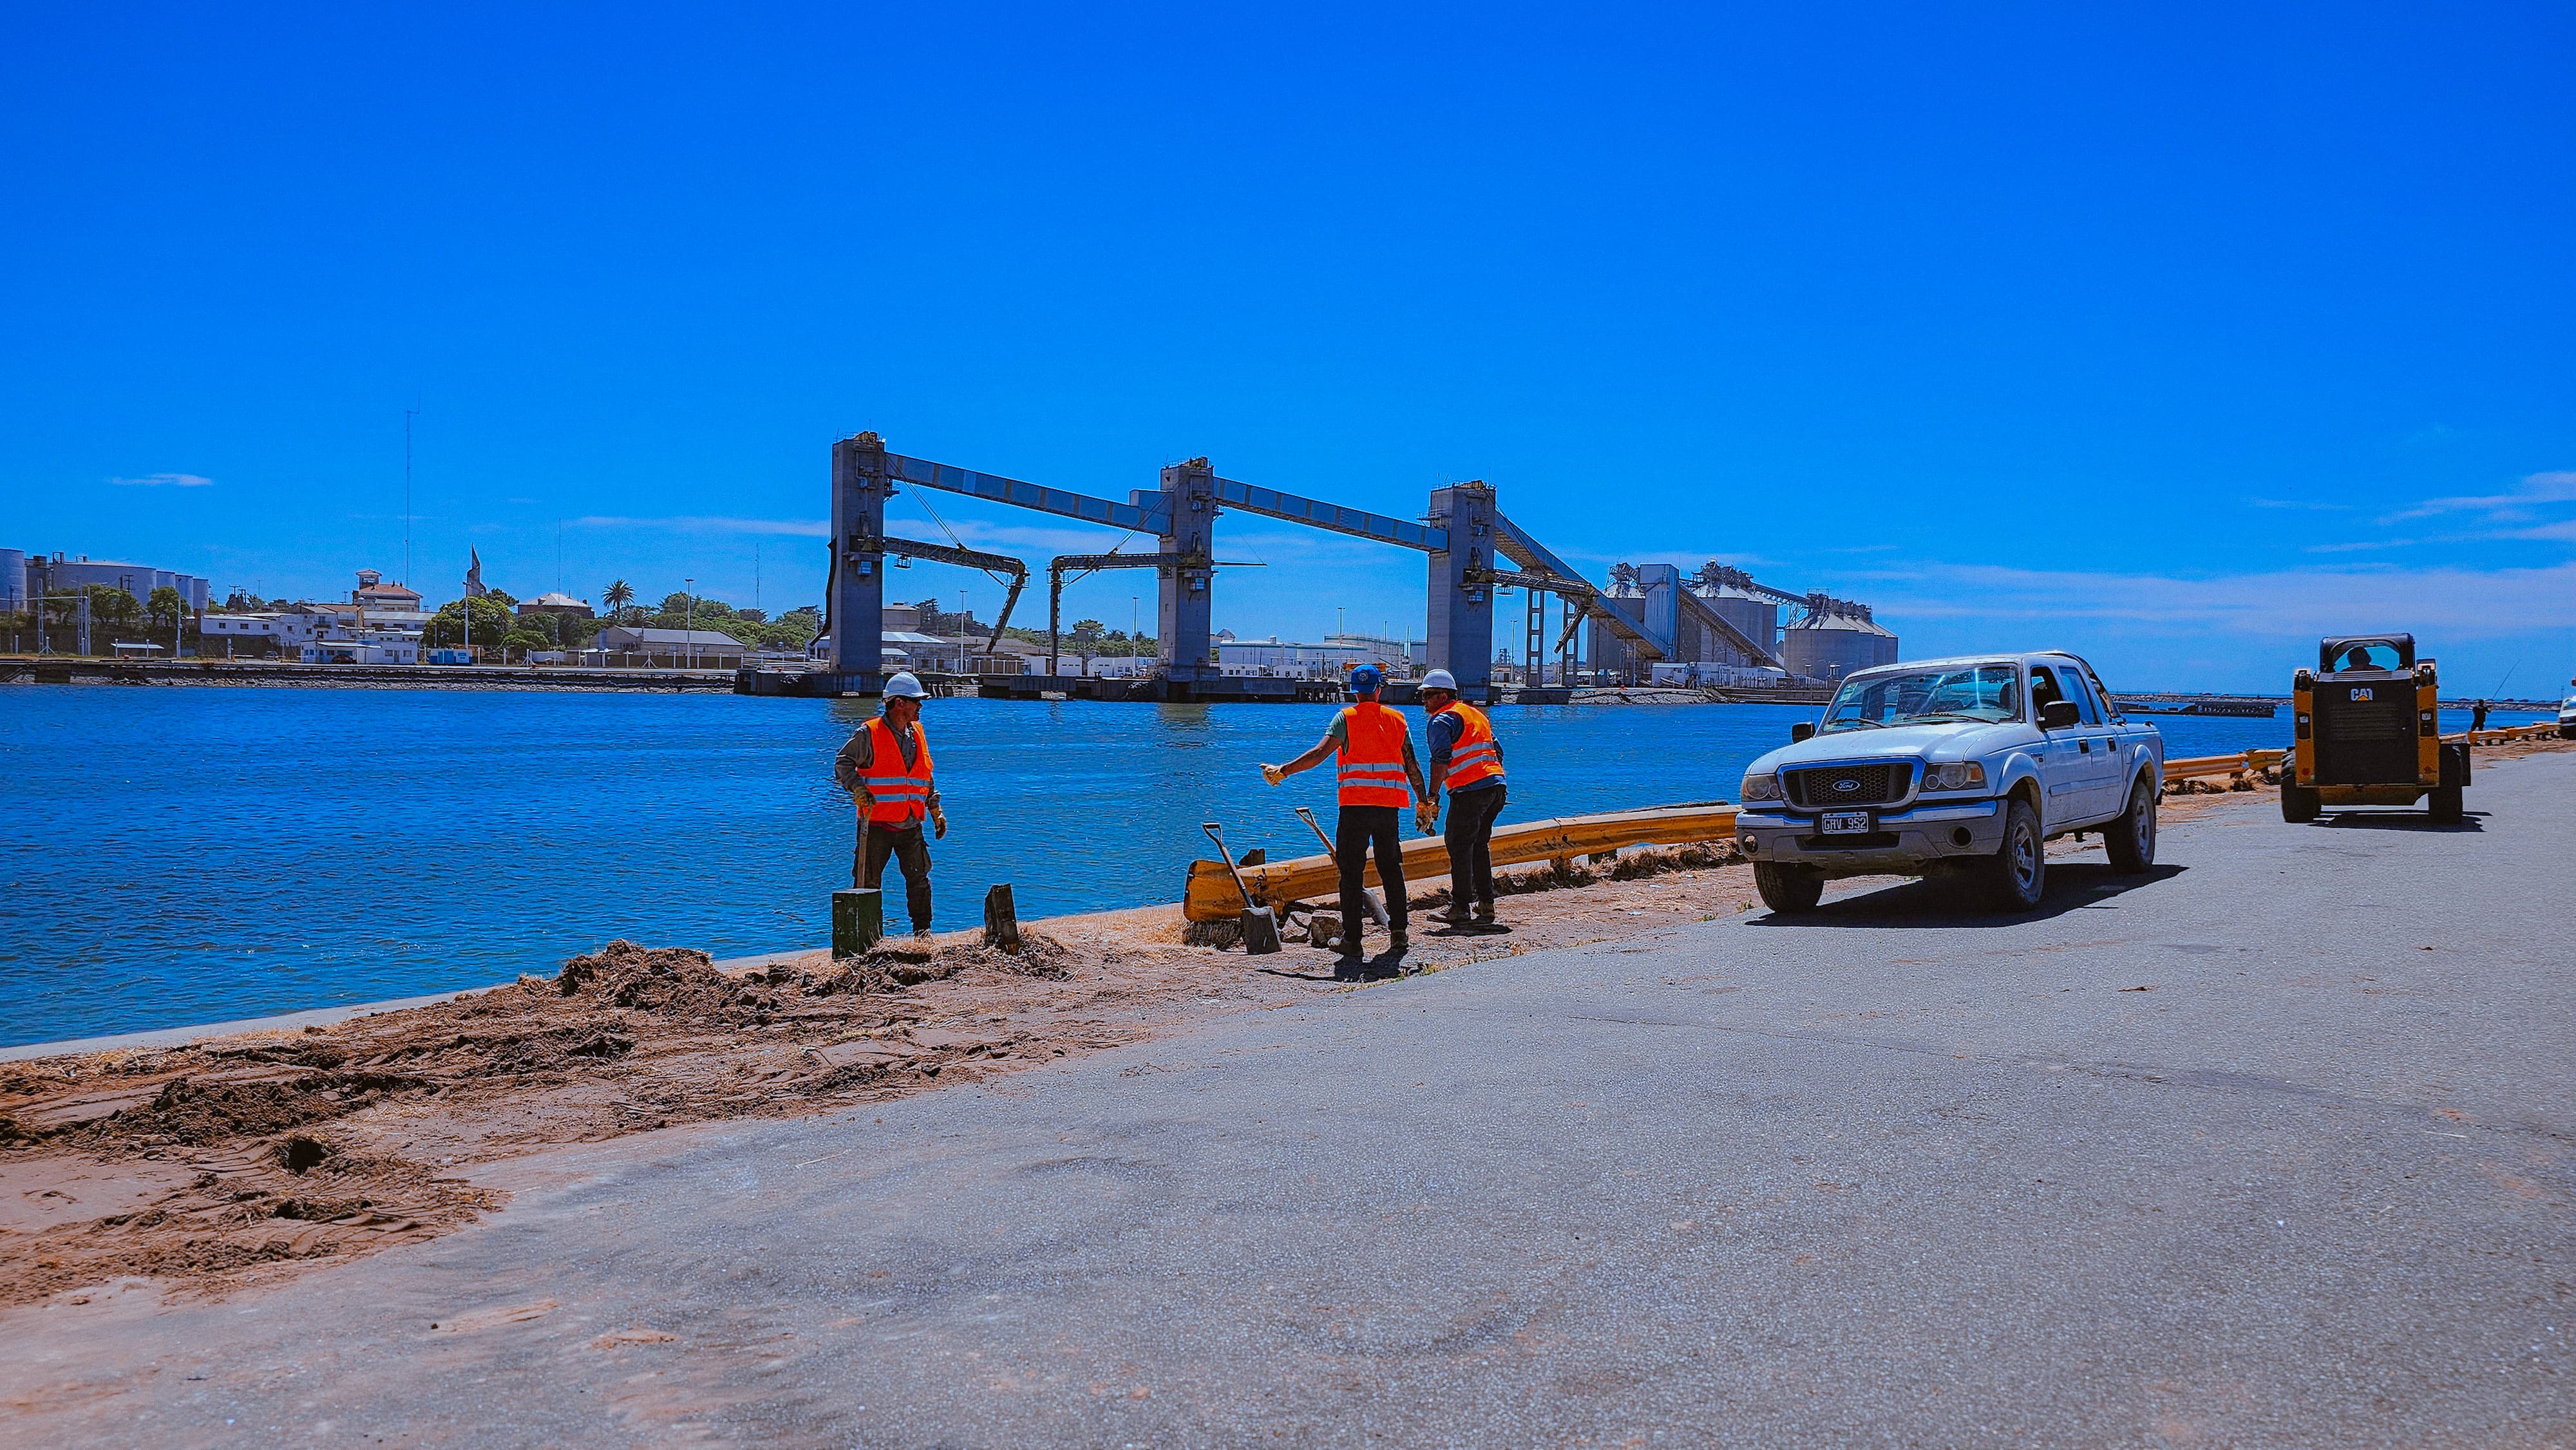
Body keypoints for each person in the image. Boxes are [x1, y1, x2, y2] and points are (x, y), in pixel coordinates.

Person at [1259, 664, 1428, 974]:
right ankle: (1399, 934)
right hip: (1388, 809)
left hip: (1354, 809)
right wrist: (1423, 801)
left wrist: (1284, 770)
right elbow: (1411, 765)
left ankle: (1353, 940)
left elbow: (1319, 754)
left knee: (1351, 875)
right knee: (1392, 870)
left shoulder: (1344, 719)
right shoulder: (1397, 720)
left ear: (1354, 691)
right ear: (1379, 690)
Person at [832, 672, 947, 942]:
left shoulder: (917, 732)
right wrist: (858, 788)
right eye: (915, 702)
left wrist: (934, 808)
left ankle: (923, 935)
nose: (920, 707)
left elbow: (923, 774)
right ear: (898, 703)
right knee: (867, 884)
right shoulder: (869, 733)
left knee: (919, 880)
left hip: (910, 823)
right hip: (876, 825)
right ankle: (866, 941)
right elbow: (843, 763)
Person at [1414, 668, 1510, 932]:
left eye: (1428, 695)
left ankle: (1460, 908)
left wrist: (1432, 796)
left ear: (1443, 695)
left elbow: (1441, 759)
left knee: (1458, 845)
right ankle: (1486, 903)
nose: (1424, 701)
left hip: (1470, 791)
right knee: (1478, 844)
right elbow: (1497, 750)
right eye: (1423, 695)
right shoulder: (1475, 714)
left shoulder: (1441, 719)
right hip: (1495, 787)